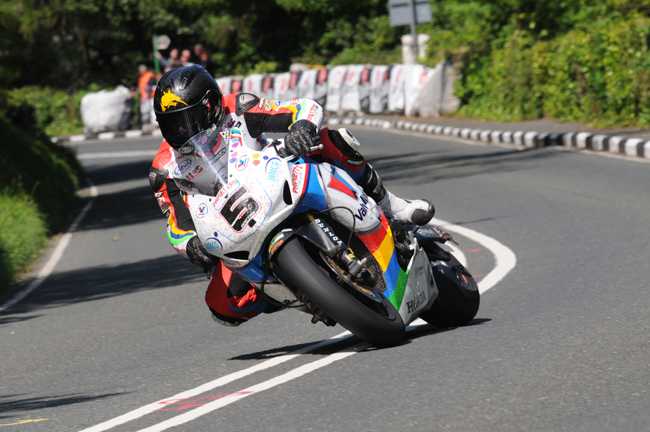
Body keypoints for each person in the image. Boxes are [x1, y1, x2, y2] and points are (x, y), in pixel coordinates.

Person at [149, 65, 434, 327]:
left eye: (190, 119)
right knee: (222, 307)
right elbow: (176, 224)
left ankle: (391, 204)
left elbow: (301, 108)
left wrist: (302, 127)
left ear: (211, 105)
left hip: (274, 176)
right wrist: (190, 245)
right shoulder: (164, 169)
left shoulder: (237, 107)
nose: (183, 130)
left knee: (329, 140)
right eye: (173, 124)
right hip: (235, 224)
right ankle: (297, 290)